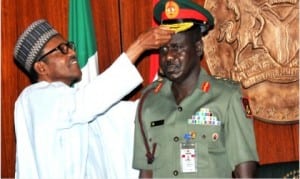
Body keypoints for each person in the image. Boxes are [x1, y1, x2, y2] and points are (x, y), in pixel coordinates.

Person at [13, 19, 173, 179]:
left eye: (69, 46)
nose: (72, 52)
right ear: (41, 67)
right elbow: (84, 103)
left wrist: (164, 79)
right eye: (62, 49)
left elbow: (137, 115)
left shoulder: (76, 106)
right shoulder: (33, 99)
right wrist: (139, 46)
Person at [133, 0, 259, 178]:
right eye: (164, 49)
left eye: (177, 48)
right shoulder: (149, 101)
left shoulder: (227, 97)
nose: (169, 56)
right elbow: (146, 172)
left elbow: (245, 173)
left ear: (198, 48)